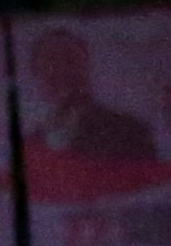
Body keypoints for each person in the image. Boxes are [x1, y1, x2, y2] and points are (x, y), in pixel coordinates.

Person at [18, 24, 158, 165]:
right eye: (52, 62)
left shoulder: (129, 131)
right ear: (35, 72)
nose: (62, 70)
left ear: (86, 66)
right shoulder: (29, 147)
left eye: (70, 61)